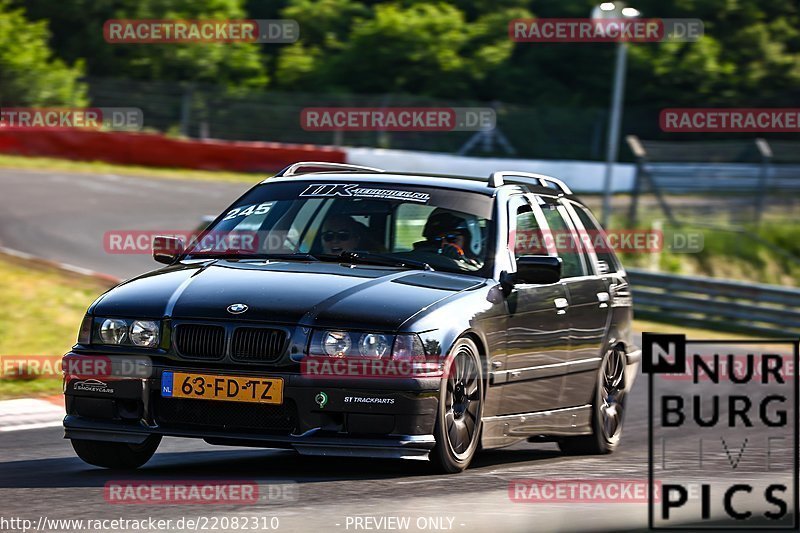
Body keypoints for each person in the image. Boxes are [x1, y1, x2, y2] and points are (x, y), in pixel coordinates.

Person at [416, 209, 484, 269]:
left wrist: (460, 262)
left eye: (451, 237)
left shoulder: (483, 268)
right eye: (437, 239)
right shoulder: (422, 261)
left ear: (469, 240)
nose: (444, 244)